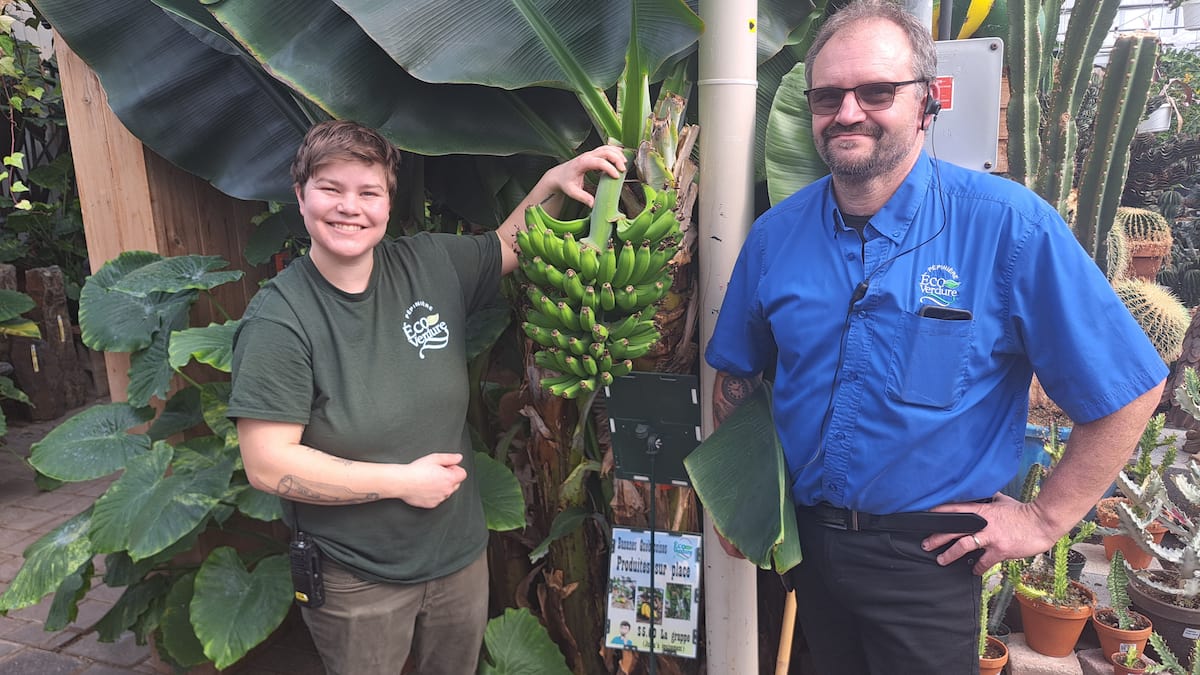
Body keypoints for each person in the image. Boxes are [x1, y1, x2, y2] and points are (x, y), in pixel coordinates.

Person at [704, 1, 1167, 673]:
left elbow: (1132, 386)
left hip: (927, 561)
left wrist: (1042, 520)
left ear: (927, 104)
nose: (848, 111)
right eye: (828, 95)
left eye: (876, 91)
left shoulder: (1008, 229)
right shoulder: (778, 235)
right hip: (807, 546)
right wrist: (740, 498)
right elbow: (737, 374)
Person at [227, 119, 625, 675]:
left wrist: (552, 184)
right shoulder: (282, 317)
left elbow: (509, 245)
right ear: (300, 197)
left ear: (387, 203)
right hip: (356, 578)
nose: (350, 207)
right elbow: (268, 465)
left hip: (458, 559)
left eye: (368, 192)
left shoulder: (429, 265)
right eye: (331, 189)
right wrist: (401, 482)